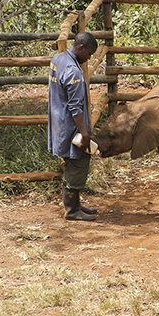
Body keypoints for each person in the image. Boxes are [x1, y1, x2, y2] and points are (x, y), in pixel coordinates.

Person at [48, 31, 98, 221]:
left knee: (71, 164)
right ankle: (71, 210)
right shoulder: (73, 71)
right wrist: (84, 133)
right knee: (76, 164)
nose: (89, 58)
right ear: (81, 47)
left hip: (58, 122)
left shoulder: (58, 59)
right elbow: (75, 107)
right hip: (71, 127)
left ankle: (76, 204)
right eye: (89, 54)